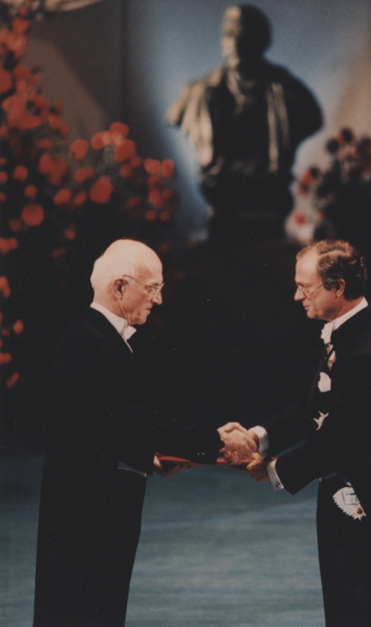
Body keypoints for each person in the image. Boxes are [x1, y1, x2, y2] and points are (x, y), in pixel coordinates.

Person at [32, 239, 256, 627]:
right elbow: (138, 422)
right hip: (89, 518)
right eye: (153, 289)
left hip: (91, 510)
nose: (160, 300)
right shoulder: (92, 342)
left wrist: (151, 458)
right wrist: (218, 443)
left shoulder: (95, 337)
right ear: (120, 287)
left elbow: (106, 427)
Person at [242, 239, 371, 627]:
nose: (296, 296)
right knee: (343, 607)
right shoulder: (346, 333)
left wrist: (274, 470)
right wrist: (259, 436)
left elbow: (341, 438)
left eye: (304, 287)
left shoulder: (365, 352)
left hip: (365, 505)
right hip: (344, 493)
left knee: (361, 610)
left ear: (337, 287)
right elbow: (315, 408)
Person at [166, 4, 322, 241]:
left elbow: (313, 119)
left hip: (271, 192)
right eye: (228, 33)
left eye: (244, 33)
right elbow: (175, 116)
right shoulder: (198, 92)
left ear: (261, 39)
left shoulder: (289, 91)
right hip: (221, 191)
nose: (235, 41)